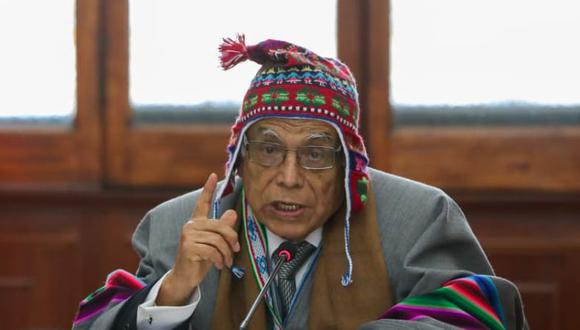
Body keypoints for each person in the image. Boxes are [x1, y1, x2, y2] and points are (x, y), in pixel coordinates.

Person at [73, 35, 527, 330]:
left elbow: (476, 315)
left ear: (350, 162)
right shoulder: (176, 227)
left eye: (314, 155)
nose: (289, 179)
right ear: (238, 158)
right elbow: (95, 321)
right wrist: (171, 292)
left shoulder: (418, 217)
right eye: (268, 150)